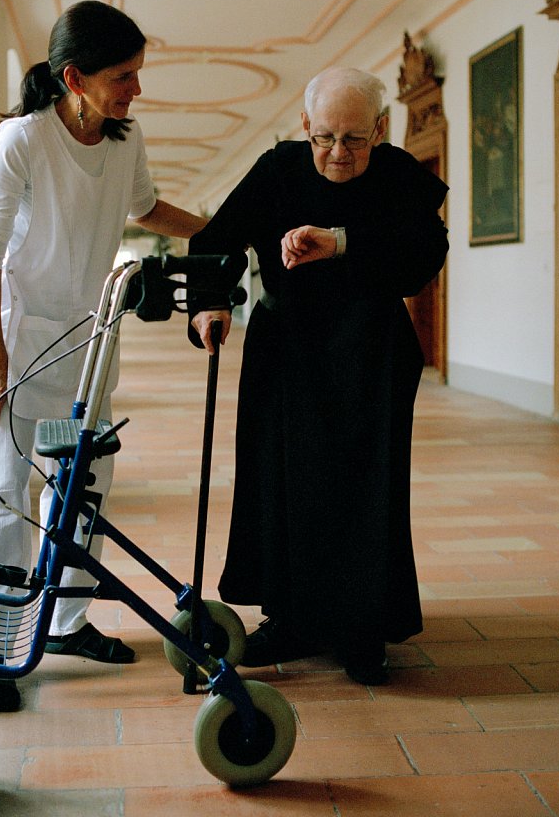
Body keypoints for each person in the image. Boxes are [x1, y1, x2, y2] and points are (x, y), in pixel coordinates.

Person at [0, 0, 205, 710]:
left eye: (136, 73)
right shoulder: (24, 141)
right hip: (11, 327)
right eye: (124, 75)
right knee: (4, 484)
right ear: (76, 77)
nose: (136, 88)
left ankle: (64, 622)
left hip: (83, 337)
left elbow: (145, 208)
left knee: (84, 477)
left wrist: (219, 227)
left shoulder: (124, 141)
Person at [189, 66, 448, 685]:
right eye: (324, 137)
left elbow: (423, 256)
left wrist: (341, 241)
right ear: (305, 125)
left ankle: (362, 627)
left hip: (372, 354)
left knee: (366, 487)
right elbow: (215, 239)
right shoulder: (278, 170)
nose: (337, 153)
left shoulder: (397, 176)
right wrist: (211, 301)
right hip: (288, 354)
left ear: (380, 129)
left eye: (355, 139)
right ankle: (292, 616)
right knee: (286, 480)